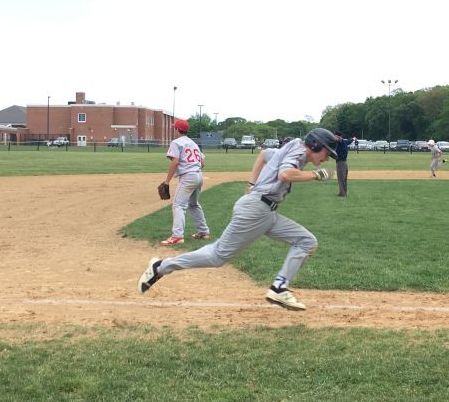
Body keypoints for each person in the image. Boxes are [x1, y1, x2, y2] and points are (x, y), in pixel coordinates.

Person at [138, 128, 339, 311]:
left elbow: (263, 155)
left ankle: (279, 287)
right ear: (315, 145)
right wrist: (315, 174)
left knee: (306, 241)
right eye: (327, 152)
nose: (327, 158)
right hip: (255, 211)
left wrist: (252, 183)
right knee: (217, 257)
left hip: (265, 212)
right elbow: (285, 174)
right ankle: (161, 267)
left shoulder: (293, 148)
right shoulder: (297, 151)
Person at [159, 119, 210, 245]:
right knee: (194, 204)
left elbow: (175, 162)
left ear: (177, 129)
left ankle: (177, 236)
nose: (173, 130)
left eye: (174, 128)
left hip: (188, 177)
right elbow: (202, 162)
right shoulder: (193, 143)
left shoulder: (176, 143)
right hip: (199, 176)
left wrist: (167, 181)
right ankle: (204, 232)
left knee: (178, 205)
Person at [333, 131, 356, 197]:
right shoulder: (345, 142)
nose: (334, 138)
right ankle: (343, 192)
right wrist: (353, 139)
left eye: (335, 136)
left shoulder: (340, 142)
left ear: (339, 136)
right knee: (343, 178)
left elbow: (339, 141)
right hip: (344, 163)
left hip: (341, 163)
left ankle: (342, 194)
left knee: (341, 178)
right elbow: (350, 140)